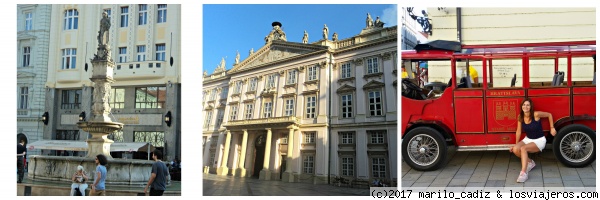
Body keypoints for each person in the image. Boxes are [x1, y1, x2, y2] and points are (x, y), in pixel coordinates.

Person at [509, 98, 556, 183]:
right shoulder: (520, 117)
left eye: (527, 105)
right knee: (516, 149)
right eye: (524, 105)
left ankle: (523, 173)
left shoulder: (536, 114)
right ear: (521, 106)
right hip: (528, 139)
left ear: (530, 107)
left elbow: (549, 115)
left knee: (523, 149)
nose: (525, 107)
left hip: (539, 140)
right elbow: (518, 131)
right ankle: (530, 163)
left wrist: (552, 127)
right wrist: (516, 144)